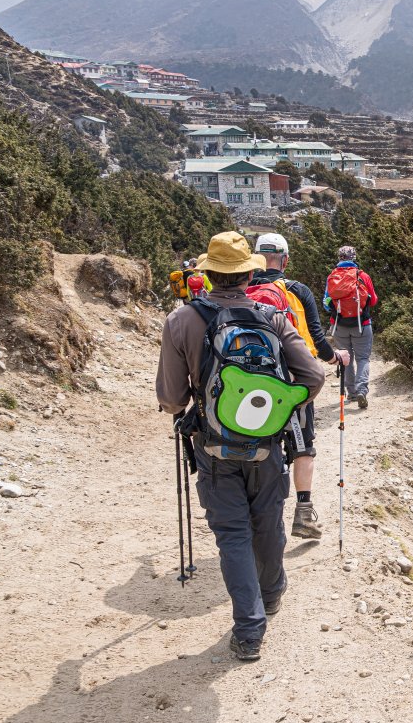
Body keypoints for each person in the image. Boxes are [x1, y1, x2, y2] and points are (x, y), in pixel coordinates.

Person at [156, 232, 326, 661]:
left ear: (208, 275)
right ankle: (272, 592)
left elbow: (172, 399)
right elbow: (313, 377)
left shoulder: (181, 321)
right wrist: (279, 408)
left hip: (213, 448)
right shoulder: (273, 318)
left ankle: (249, 632)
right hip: (267, 446)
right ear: (250, 274)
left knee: (233, 534)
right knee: (267, 521)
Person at [249, 233, 349, 540]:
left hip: (250, 384)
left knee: (257, 445)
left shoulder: (242, 289)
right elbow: (316, 340)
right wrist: (336, 358)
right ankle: (304, 513)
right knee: (303, 447)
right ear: (285, 260)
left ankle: (256, 516)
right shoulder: (297, 290)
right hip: (293, 382)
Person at [324, 245, 377, 409]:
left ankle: (352, 393)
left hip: (339, 325)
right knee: (363, 358)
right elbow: (373, 300)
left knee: (346, 359)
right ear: (354, 257)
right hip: (362, 324)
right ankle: (362, 390)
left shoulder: (332, 277)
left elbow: (326, 304)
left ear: (339, 258)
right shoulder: (363, 276)